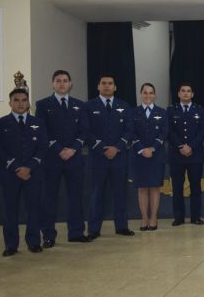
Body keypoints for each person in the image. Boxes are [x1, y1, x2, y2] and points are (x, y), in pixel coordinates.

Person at [35, 70, 89, 247]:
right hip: (52, 159)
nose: (62, 84)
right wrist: (59, 149)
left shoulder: (79, 105)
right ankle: (49, 235)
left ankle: (76, 232)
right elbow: (42, 131)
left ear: (70, 84)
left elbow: (84, 131)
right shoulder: (43, 105)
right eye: (58, 81)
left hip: (74, 158)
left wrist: (73, 149)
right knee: (49, 198)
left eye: (65, 81)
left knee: (76, 197)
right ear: (52, 84)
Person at [0, 88, 48, 255]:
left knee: (34, 209)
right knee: (11, 210)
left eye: (24, 100)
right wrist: (17, 167)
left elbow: (42, 148)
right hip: (11, 174)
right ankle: (11, 245)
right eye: (16, 100)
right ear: (10, 103)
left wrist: (29, 167)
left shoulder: (38, 123)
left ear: (28, 103)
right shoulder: (0, 123)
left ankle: (33, 242)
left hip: (33, 173)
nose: (20, 103)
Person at [85, 75, 134, 239]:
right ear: (98, 86)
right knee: (96, 194)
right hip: (98, 158)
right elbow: (86, 131)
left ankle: (121, 226)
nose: (107, 86)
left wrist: (117, 147)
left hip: (119, 157)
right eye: (103, 83)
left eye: (110, 83)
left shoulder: (124, 106)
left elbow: (129, 130)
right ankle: (93, 229)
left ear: (115, 87)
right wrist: (101, 148)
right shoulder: (89, 106)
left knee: (120, 194)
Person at [168, 82, 204, 226]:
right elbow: (169, 131)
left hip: (195, 155)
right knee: (177, 188)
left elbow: (203, 131)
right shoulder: (171, 110)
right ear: (178, 94)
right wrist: (180, 146)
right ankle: (179, 217)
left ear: (192, 94)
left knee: (195, 187)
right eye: (183, 91)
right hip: (176, 156)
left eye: (188, 91)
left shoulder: (200, 110)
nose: (185, 93)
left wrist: (191, 146)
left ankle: (195, 217)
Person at [131, 82, 167, 231]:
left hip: (156, 154)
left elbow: (164, 133)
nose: (148, 95)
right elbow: (130, 133)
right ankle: (144, 217)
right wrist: (141, 149)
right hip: (139, 155)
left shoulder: (162, 112)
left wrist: (152, 148)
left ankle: (153, 217)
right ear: (141, 94)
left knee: (154, 187)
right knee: (142, 188)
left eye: (150, 93)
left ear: (155, 95)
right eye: (145, 93)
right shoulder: (133, 112)